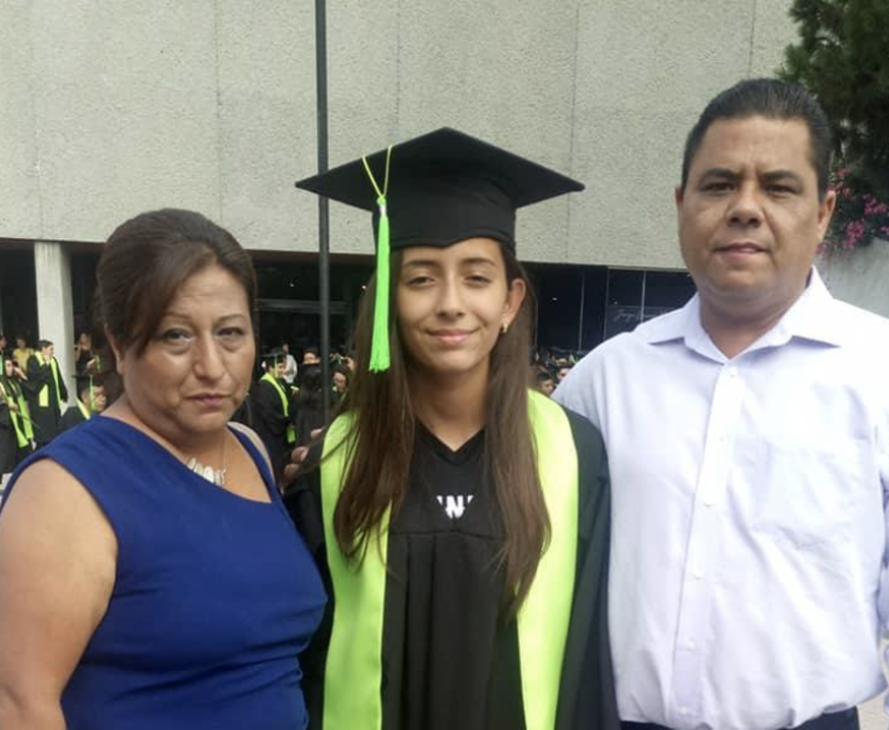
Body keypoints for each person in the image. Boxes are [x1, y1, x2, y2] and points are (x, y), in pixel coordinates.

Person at [554, 78, 889, 730]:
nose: (745, 208)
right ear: (681, 204)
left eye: (778, 186)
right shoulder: (604, 385)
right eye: (718, 185)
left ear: (824, 211)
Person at [288, 128, 618, 730]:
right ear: (389, 295)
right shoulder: (335, 461)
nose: (450, 303)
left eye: (476, 276)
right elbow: (307, 658)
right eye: (420, 278)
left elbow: (587, 662)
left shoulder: (571, 455)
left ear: (511, 299)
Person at [0, 208, 326, 730]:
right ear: (119, 344)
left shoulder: (248, 449)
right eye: (176, 336)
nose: (212, 366)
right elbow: (19, 706)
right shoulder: (64, 491)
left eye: (230, 333)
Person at [252, 347, 297, 480]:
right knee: (276, 465)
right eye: (280, 367)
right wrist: (287, 421)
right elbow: (269, 413)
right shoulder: (264, 386)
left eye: (283, 367)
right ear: (270, 368)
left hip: (284, 432)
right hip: (273, 434)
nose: (283, 371)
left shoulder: (280, 382)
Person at [24, 339, 68, 446]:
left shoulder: (53, 360)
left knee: (55, 432)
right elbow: (35, 377)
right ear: (43, 349)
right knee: (43, 435)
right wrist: (46, 364)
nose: (53, 352)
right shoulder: (33, 360)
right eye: (51, 349)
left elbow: (57, 377)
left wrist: (63, 392)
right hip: (40, 405)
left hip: (53, 402)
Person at [0, 356, 34, 473]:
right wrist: (9, 405)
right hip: (8, 423)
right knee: (5, 456)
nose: (10, 369)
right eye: (8, 366)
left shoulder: (15, 381)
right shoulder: (1, 383)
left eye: (11, 366)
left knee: (26, 453)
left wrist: (22, 375)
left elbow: (30, 390)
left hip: (21, 421)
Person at [58, 368, 108, 435]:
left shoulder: (97, 417)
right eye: (97, 395)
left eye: (104, 394)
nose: (103, 399)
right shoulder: (72, 417)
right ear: (85, 397)